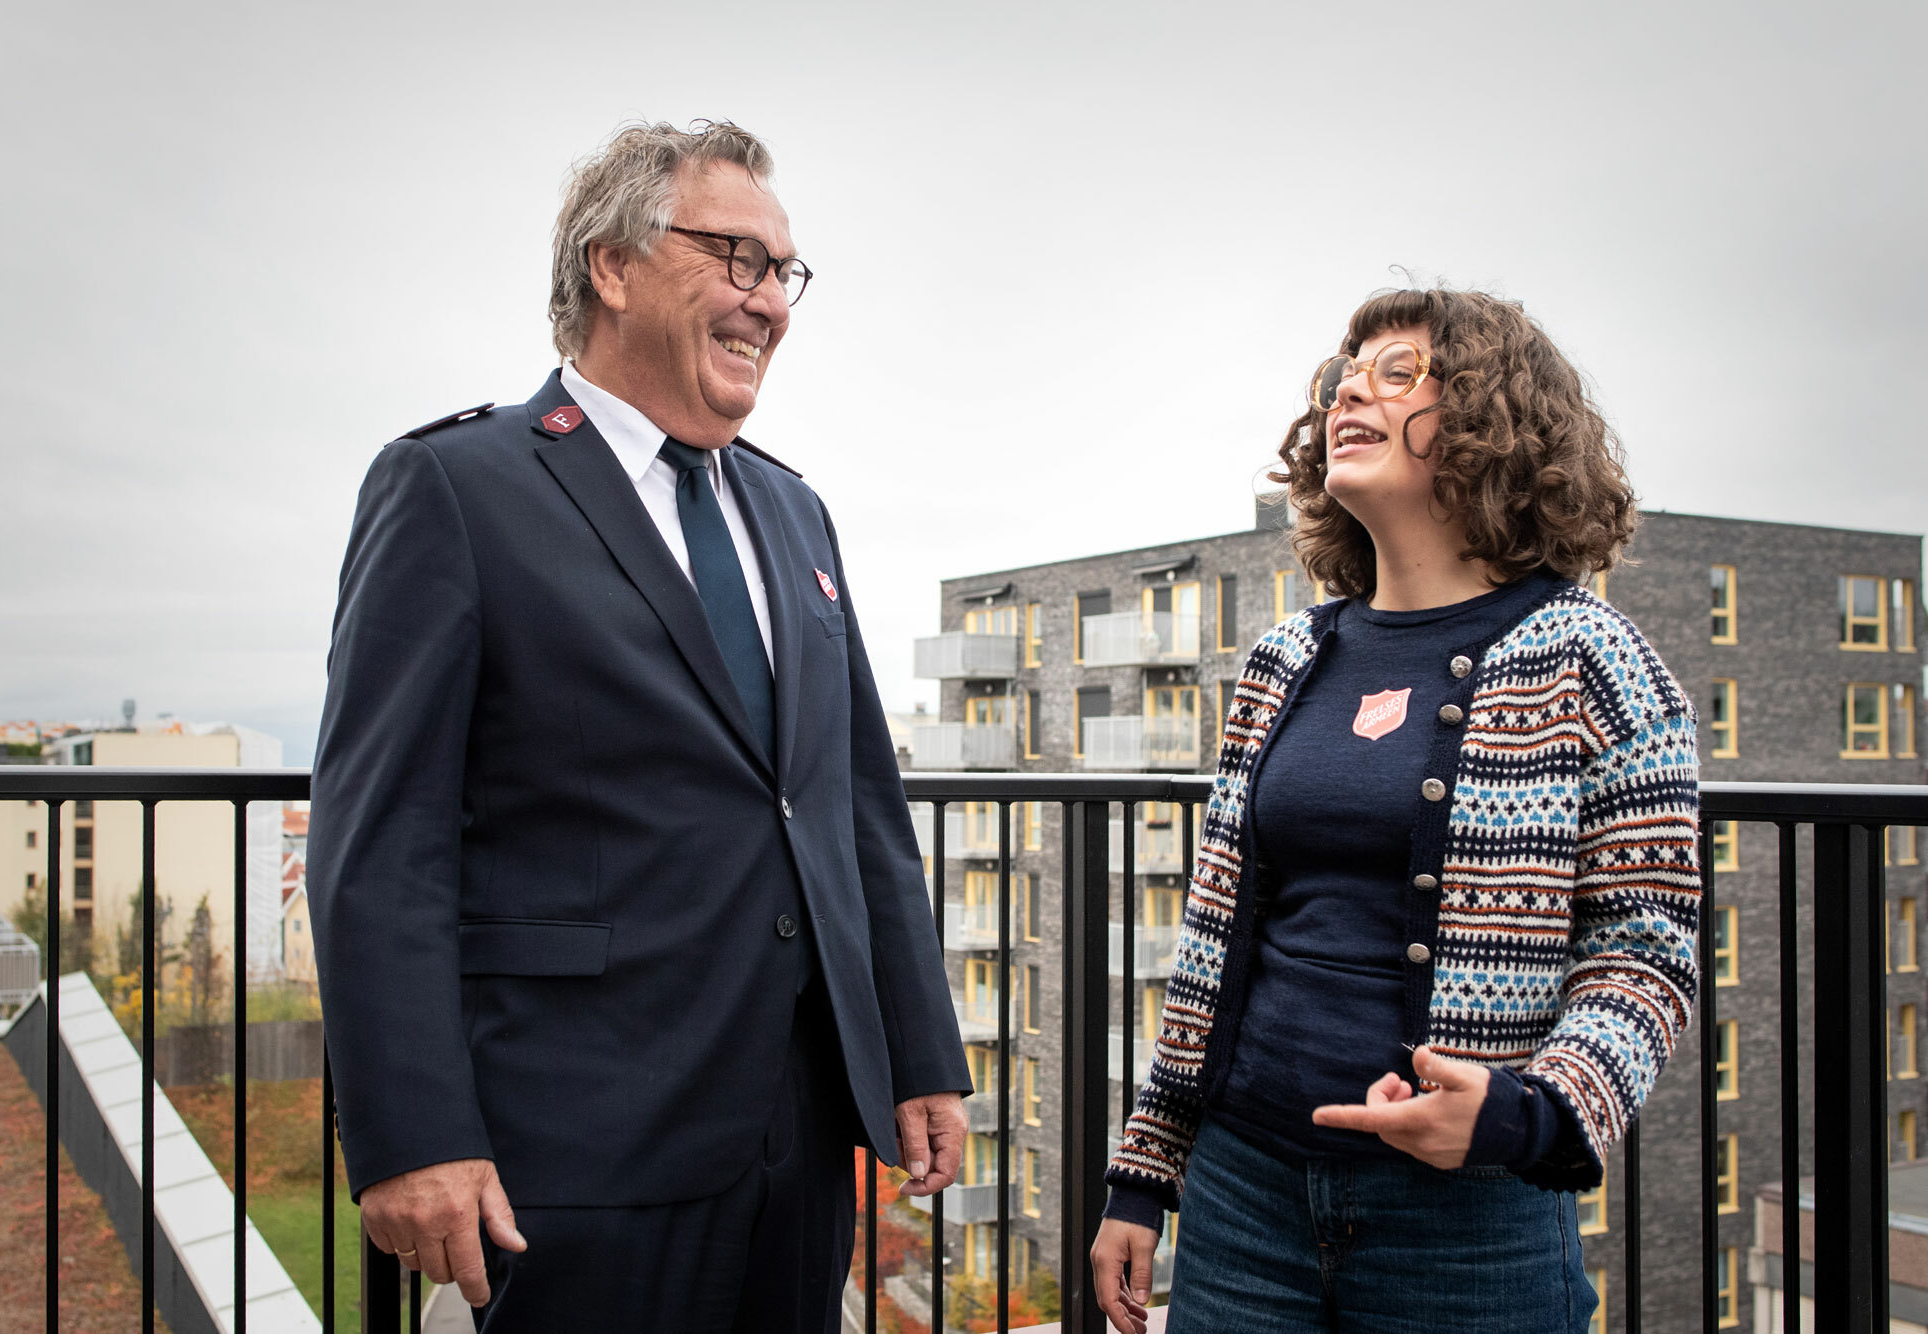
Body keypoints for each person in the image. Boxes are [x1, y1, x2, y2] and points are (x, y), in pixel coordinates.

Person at [309, 120, 970, 1334]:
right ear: (611, 267)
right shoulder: (455, 488)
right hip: (580, 1145)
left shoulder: (793, 509)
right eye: (736, 257)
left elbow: (854, 806)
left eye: (783, 272)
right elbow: (379, 842)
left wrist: (918, 1053)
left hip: (802, 1134)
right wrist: (411, 1135)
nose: (769, 301)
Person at [1091, 288, 1701, 1333]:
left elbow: (1645, 950)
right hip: (1243, 1199)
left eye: (1397, 371)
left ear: (1490, 421)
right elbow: (1210, 943)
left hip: (1466, 1222)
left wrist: (1534, 1109)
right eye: (1342, 376)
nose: (1346, 393)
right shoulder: (1283, 662)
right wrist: (1144, 1172)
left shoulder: (1594, 661)